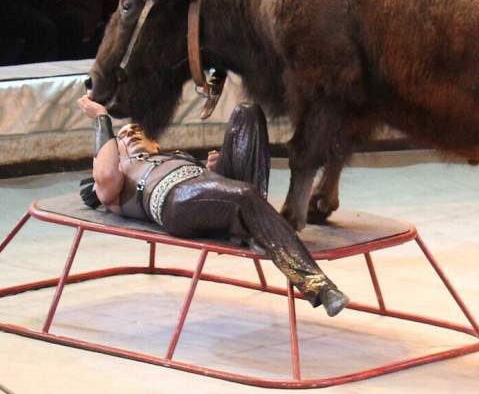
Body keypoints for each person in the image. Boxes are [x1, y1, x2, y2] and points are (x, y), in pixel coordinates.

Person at [74, 94, 348, 316]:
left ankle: (253, 231)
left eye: (137, 131)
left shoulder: (179, 157)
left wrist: (216, 174)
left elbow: (216, 192)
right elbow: (105, 173)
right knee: (242, 195)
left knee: (248, 111)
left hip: (210, 193)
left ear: (155, 144)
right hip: (174, 202)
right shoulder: (119, 175)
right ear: (114, 149)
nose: (131, 133)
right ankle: (318, 286)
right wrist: (102, 119)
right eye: (123, 136)